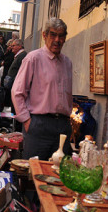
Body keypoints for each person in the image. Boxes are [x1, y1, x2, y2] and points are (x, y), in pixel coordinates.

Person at [11, 17, 73, 160]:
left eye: (61, 36)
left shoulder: (67, 63)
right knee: (34, 170)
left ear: (65, 38)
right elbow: (17, 92)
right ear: (44, 35)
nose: (57, 40)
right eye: (53, 34)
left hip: (62, 126)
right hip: (39, 125)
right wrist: (27, 121)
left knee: (59, 171)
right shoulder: (33, 58)